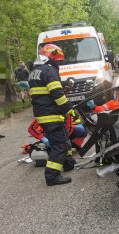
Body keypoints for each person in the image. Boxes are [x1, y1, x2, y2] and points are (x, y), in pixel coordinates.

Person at [28, 43, 76, 186]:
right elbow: (57, 94)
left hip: (43, 114)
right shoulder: (49, 71)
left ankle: (68, 163)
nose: (60, 63)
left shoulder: (34, 72)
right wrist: (68, 109)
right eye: (59, 61)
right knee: (60, 145)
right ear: (52, 57)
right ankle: (52, 176)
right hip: (51, 114)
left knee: (63, 138)